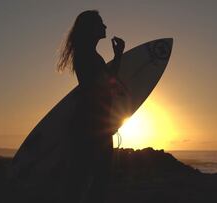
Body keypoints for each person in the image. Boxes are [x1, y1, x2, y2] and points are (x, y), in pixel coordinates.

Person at [56, 10, 125, 203]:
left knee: (88, 181)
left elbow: (106, 84)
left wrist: (117, 56)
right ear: (90, 28)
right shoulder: (88, 56)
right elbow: (100, 88)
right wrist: (108, 119)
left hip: (93, 124)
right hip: (91, 126)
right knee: (90, 182)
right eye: (101, 23)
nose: (105, 27)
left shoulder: (90, 55)